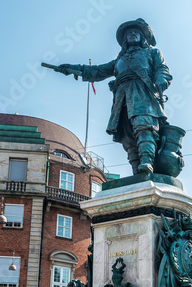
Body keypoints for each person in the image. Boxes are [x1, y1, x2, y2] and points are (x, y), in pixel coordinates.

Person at [57, 18, 172, 174]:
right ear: (124, 39)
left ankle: (147, 161)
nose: (132, 34)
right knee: (127, 135)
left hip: (143, 93)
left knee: (144, 126)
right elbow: (96, 71)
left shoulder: (152, 52)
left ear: (142, 37)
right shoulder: (119, 60)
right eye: (128, 33)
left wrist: (161, 80)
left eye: (135, 32)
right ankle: (136, 169)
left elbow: (162, 69)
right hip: (121, 98)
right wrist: (72, 69)